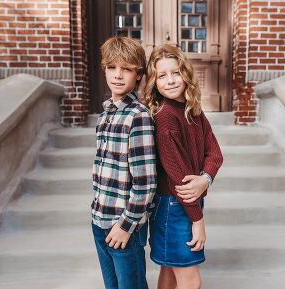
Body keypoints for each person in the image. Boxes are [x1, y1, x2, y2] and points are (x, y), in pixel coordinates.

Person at [143, 44, 224, 289]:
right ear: (153, 82)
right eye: (161, 75)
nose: (169, 81)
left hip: (185, 203)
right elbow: (179, 178)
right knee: (191, 282)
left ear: (186, 74)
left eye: (175, 72)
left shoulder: (193, 111)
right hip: (173, 207)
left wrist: (205, 179)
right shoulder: (165, 116)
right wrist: (198, 221)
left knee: (169, 270)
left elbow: (215, 154)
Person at [91, 36, 156, 289]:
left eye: (127, 69)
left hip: (124, 226)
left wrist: (125, 226)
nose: (118, 75)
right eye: (112, 67)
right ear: (105, 69)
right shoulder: (105, 115)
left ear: (138, 75)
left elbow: (145, 183)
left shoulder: (138, 117)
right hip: (99, 219)